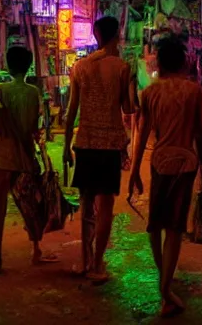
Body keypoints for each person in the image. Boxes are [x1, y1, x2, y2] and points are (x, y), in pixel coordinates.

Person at [128, 37, 202, 317]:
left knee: (156, 223)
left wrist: (134, 170)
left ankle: (164, 279)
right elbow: (201, 137)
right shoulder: (194, 91)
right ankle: (165, 289)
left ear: (160, 63)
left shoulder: (150, 93)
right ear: (184, 62)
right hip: (186, 162)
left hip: (160, 161)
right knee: (174, 227)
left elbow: (142, 133)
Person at [62, 16, 140, 283]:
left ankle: (84, 261)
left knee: (86, 205)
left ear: (96, 35)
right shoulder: (122, 67)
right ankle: (97, 265)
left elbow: (71, 110)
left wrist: (64, 146)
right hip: (109, 145)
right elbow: (128, 109)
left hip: (84, 142)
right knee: (105, 205)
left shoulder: (80, 67)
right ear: (116, 35)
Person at [0, 46, 57, 275]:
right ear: (29, 64)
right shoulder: (33, 92)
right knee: (31, 206)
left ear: (8, 63)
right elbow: (34, 127)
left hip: (3, 157)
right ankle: (36, 250)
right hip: (26, 156)